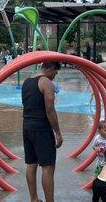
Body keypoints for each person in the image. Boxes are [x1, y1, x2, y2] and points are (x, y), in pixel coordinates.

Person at [22, 61, 63, 202]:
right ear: (51, 68)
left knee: (31, 164)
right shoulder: (46, 82)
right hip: (41, 128)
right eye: (55, 73)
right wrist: (57, 132)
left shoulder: (27, 81)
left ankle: (33, 198)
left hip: (27, 126)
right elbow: (50, 109)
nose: (54, 77)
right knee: (48, 166)